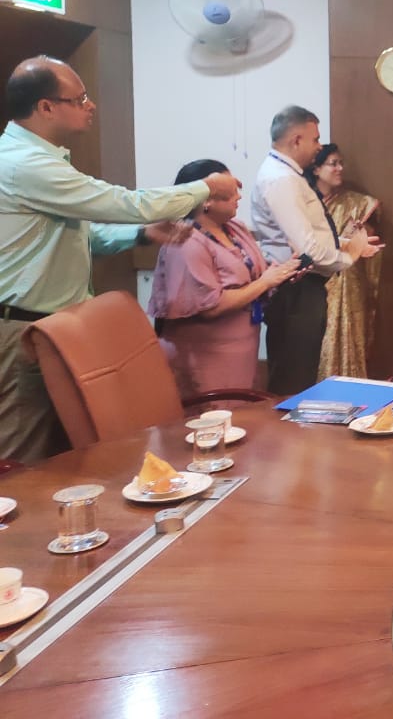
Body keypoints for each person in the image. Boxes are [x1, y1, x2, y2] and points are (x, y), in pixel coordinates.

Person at [0, 56, 238, 462]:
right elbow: (126, 203)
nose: (90, 105)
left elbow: (80, 236)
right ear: (46, 107)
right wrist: (205, 187)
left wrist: (142, 234)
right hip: (24, 328)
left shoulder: (43, 159)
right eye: (80, 99)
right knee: (25, 455)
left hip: (55, 326)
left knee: (67, 452)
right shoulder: (24, 164)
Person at [251, 106, 380, 395]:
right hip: (295, 289)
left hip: (302, 287)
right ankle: (289, 426)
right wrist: (349, 255)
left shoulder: (288, 174)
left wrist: (346, 244)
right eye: (315, 139)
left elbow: (310, 234)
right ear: (296, 140)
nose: (319, 146)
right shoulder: (281, 179)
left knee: (301, 374)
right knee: (293, 380)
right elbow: (306, 248)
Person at [148, 160, 300, 397]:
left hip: (242, 348)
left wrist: (283, 272)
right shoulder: (186, 240)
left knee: (242, 411)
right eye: (231, 191)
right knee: (214, 414)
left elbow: (253, 274)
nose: (239, 196)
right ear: (206, 200)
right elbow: (210, 306)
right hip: (205, 355)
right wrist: (265, 282)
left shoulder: (234, 228)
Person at [307, 143, 383, 378]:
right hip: (313, 283)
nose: (340, 168)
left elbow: (361, 239)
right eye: (333, 164)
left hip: (347, 286)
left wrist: (359, 244)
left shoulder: (355, 204)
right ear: (316, 169)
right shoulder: (304, 204)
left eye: (341, 163)